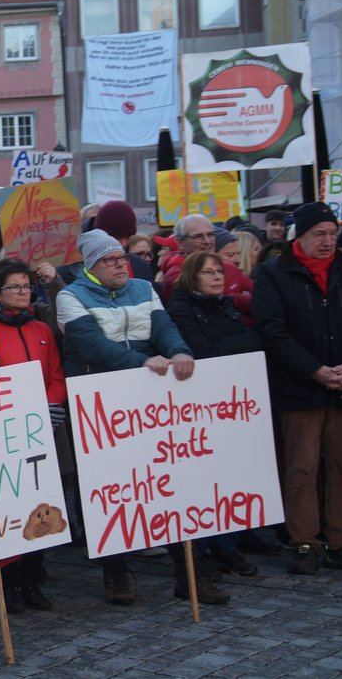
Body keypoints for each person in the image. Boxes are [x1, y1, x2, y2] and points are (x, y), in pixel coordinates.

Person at [57, 229, 199, 605]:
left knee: (165, 478)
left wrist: (180, 352)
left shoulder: (144, 288)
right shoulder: (70, 296)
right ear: (91, 266)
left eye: (122, 258)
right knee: (108, 488)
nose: (121, 264)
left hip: (146, 397)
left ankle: (188, 570)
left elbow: (164, 329)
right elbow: (93, 345)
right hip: (99, 400)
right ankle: (115, 570)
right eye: (110, 260)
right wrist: (142, 361)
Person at [253, 202, 342, 575]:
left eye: (331, 233)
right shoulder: (275, 272)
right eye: (318, 234)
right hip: (300, 386)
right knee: (301, 468)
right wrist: (314, 370)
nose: (327, 241)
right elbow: (272, 330)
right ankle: (305, 542)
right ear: (300, 236)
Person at [167, 251, 268, 572]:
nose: (217, 278)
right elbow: (207, 353)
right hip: (199, 406)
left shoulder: (223, 305)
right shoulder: (182, 308)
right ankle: (211, 549)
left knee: (231, 475)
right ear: (191, 277)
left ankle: (230, 541)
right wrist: (243, 343)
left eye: (219, 272)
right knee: (205, 479)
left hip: (232, 404)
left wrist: (239, 344)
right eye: (208, 272)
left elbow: (252, 342)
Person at [0, 259, 67, 613]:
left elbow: (57, 377)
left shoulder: (42, 331)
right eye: (14, 287)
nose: (22, 293)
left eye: (25, 286)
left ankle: (33, 578)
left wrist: (45, 408)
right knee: (9, 507)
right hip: (3, 433)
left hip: (40, 431)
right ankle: (10, 583)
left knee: (41, 508)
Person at [160, 215, 254, 323]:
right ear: (180, 242)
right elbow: (209, 309)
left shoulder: (229, 267)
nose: (207, 241)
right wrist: (237, 300)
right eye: (198, 236)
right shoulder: (176, 275)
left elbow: (260, 299)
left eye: (210, 234)